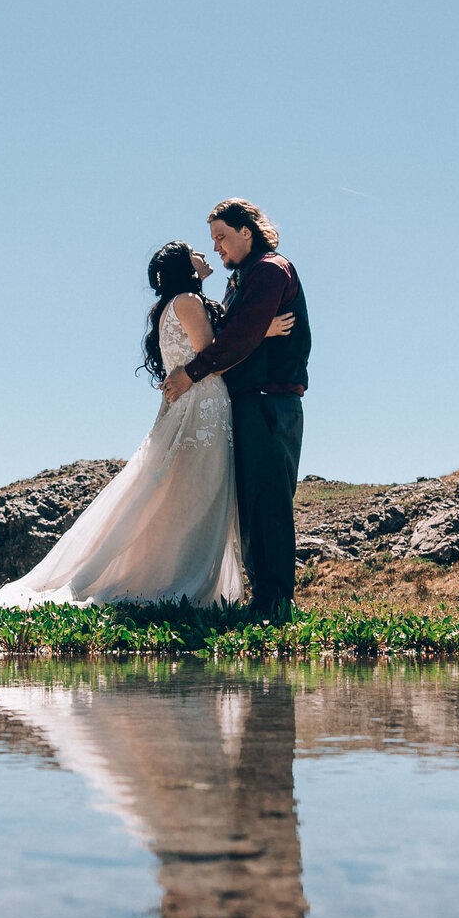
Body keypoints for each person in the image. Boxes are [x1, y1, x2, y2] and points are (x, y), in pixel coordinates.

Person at [0, 241, 293, 610]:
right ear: (184, 266)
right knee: (197, 496)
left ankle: (173, 576)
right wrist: (260, 332)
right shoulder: (189, 303)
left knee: (181, 497)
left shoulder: (170, 307)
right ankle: (181, 582)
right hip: (204, 409)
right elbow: (214, 358)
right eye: (195, 251)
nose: (204, 254)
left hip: (192, 407)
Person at [160, 200, 309, 620]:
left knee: (269, 503)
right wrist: (257, 331)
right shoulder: (239, 279)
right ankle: (264, 599)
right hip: (248, 404)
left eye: (222, 237)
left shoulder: (269, 270)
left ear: (248, 230)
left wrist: (192, 372)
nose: (217, 247)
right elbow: (236, 331)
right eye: (212, 241)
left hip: (269, 401)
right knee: (251, 505)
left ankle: (274, 603)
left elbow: (238, 336)